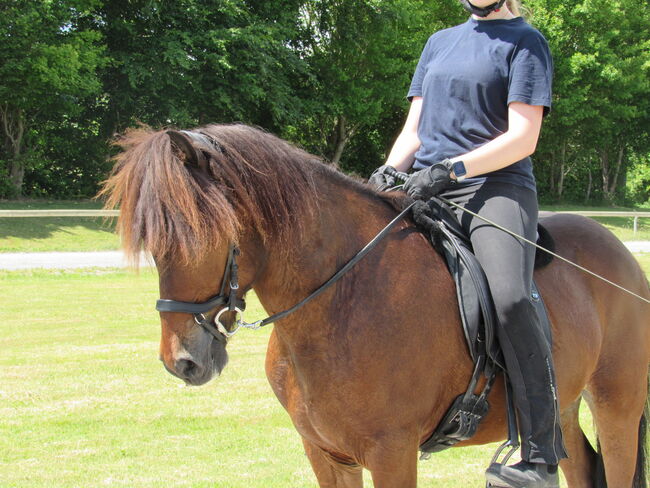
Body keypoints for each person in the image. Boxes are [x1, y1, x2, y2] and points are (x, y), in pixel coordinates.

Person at [369, 1, 567, 487]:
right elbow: (414, 128)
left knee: (511, 297)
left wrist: (451, 169)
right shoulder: (438, 42)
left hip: (495, 189)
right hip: (424, 184)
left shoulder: (526, 42)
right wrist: (387, 175)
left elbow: (523, 136)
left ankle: (540, 453)